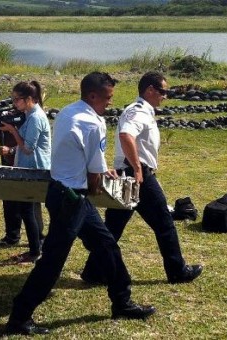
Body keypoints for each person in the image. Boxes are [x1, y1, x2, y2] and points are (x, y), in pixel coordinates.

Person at [5, 72, 155, 336]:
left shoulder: (67, 111)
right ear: (93, 96)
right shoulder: (93, 123)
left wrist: (97, 169)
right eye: (108, 97)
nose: (111, 102)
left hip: (62, 191)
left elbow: (80, 156)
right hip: (71, 198)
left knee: (106, 244)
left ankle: (122, 301)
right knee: (53, 259)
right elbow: (94, 180)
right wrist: (99, 177)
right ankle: (19, 316)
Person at [80, 71, 203, 286]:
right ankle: (177, 270)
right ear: (150, 90)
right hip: (138, 175)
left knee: (113, 227)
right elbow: (126, 135)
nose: (165, 96)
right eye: (163, 91)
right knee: (164, 223)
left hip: (129, 173)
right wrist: (137, 167)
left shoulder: (141, 111)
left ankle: (93, 271)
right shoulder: (139, 112)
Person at [0, 81, 51, 264]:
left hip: (34, 168)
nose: (14, 103)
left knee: (28, 210)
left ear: (29, 99)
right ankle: (35, 249)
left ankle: (35, 251)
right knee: (26, 209)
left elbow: (28, 147)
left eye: (17, 99)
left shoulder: (36, 117)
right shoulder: (29, 114)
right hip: (27, 167)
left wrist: (13, 131)